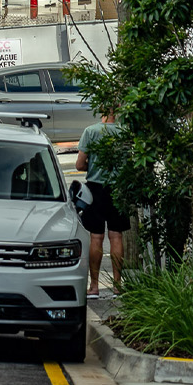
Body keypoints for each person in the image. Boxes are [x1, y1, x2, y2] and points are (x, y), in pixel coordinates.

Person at [77, 110, 127, 298]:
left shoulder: (91, 131)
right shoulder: (125, 131)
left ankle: (95, 286)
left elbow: (79, 165)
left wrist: (92, 163)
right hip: (119, 188)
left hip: (96, 188)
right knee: (116, 236)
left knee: (96, 237)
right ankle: (117, 286)